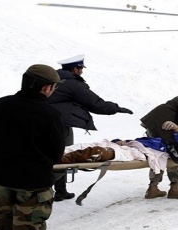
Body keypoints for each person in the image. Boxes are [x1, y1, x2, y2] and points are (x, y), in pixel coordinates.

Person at [0, 64, 65, 230]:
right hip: (32, 185)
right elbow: (56, 153)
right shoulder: (50, 115)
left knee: (7, 228)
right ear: (46, 87)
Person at [47, 54, 133, 202]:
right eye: (81, 69)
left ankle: (61, 191)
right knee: (64, 155)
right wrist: (116, 108)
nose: (82, 72)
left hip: (39, 121)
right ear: (75, 69)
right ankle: (43, 188)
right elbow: (95, 103)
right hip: (58, 125)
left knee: (52, 155)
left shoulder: (51, 79)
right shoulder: (73, 83)